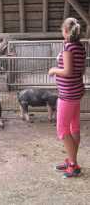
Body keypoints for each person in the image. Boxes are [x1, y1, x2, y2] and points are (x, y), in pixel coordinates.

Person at [48, 17, 86, 178]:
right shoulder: (80, 47)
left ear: (65, 31)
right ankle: (72, 160)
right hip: (76, 91)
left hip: (67, 94)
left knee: (62, 129)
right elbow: (81, 70)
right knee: (74, 127)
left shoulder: (67, 47)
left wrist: (53, 70)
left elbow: (68, 71)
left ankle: (73, 165)